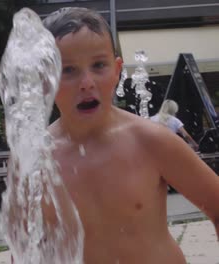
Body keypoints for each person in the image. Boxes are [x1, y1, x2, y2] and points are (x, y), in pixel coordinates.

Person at [35, 7, 219, 263]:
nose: (86, 82)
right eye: (68, 70)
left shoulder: (151, 142)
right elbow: (27, 243)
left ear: (117, 70)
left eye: (99, 65)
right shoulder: (34, 158)